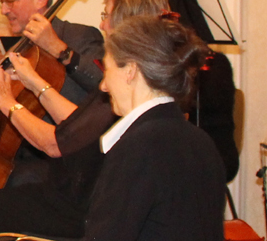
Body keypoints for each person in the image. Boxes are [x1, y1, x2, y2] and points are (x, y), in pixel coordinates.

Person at [0, 0, 173, 241]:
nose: (102, 23)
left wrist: (8, 103)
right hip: (75, 188)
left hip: (84, 202)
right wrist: (33, 81)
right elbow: (78, 122)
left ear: (126, 19)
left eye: (107, 14)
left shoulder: (126, 78)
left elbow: (56, 143)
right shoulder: (136, 74)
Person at [76, 14, 224, 240]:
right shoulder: (202, 142)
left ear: (130, 71)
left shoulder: (136, 147)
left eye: (107, 69)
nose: (103, 86)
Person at [0, 0, 105, 186]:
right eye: (1, 2)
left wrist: (60, 50)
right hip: (20, 156)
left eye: (11, 1)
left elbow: (104, 85)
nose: (4, 10)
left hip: (65, 162)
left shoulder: (78, 36)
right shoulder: (17, 47)